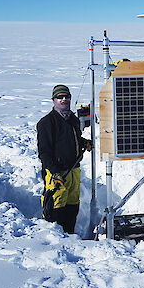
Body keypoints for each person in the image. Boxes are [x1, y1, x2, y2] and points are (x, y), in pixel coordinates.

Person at [37, 84, 92, 234]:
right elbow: (44, 152)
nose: (64, 100)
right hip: (57, 174)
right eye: (60, 97)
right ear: (54, 100)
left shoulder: (72, 119)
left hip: (73, 172)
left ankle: (71, 238)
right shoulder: (47, 123)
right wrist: (55, 172)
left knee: (72, 207)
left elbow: (72, 140)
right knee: (55, 209)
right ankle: (53, 241)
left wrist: (83, 142)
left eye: (66, 97)